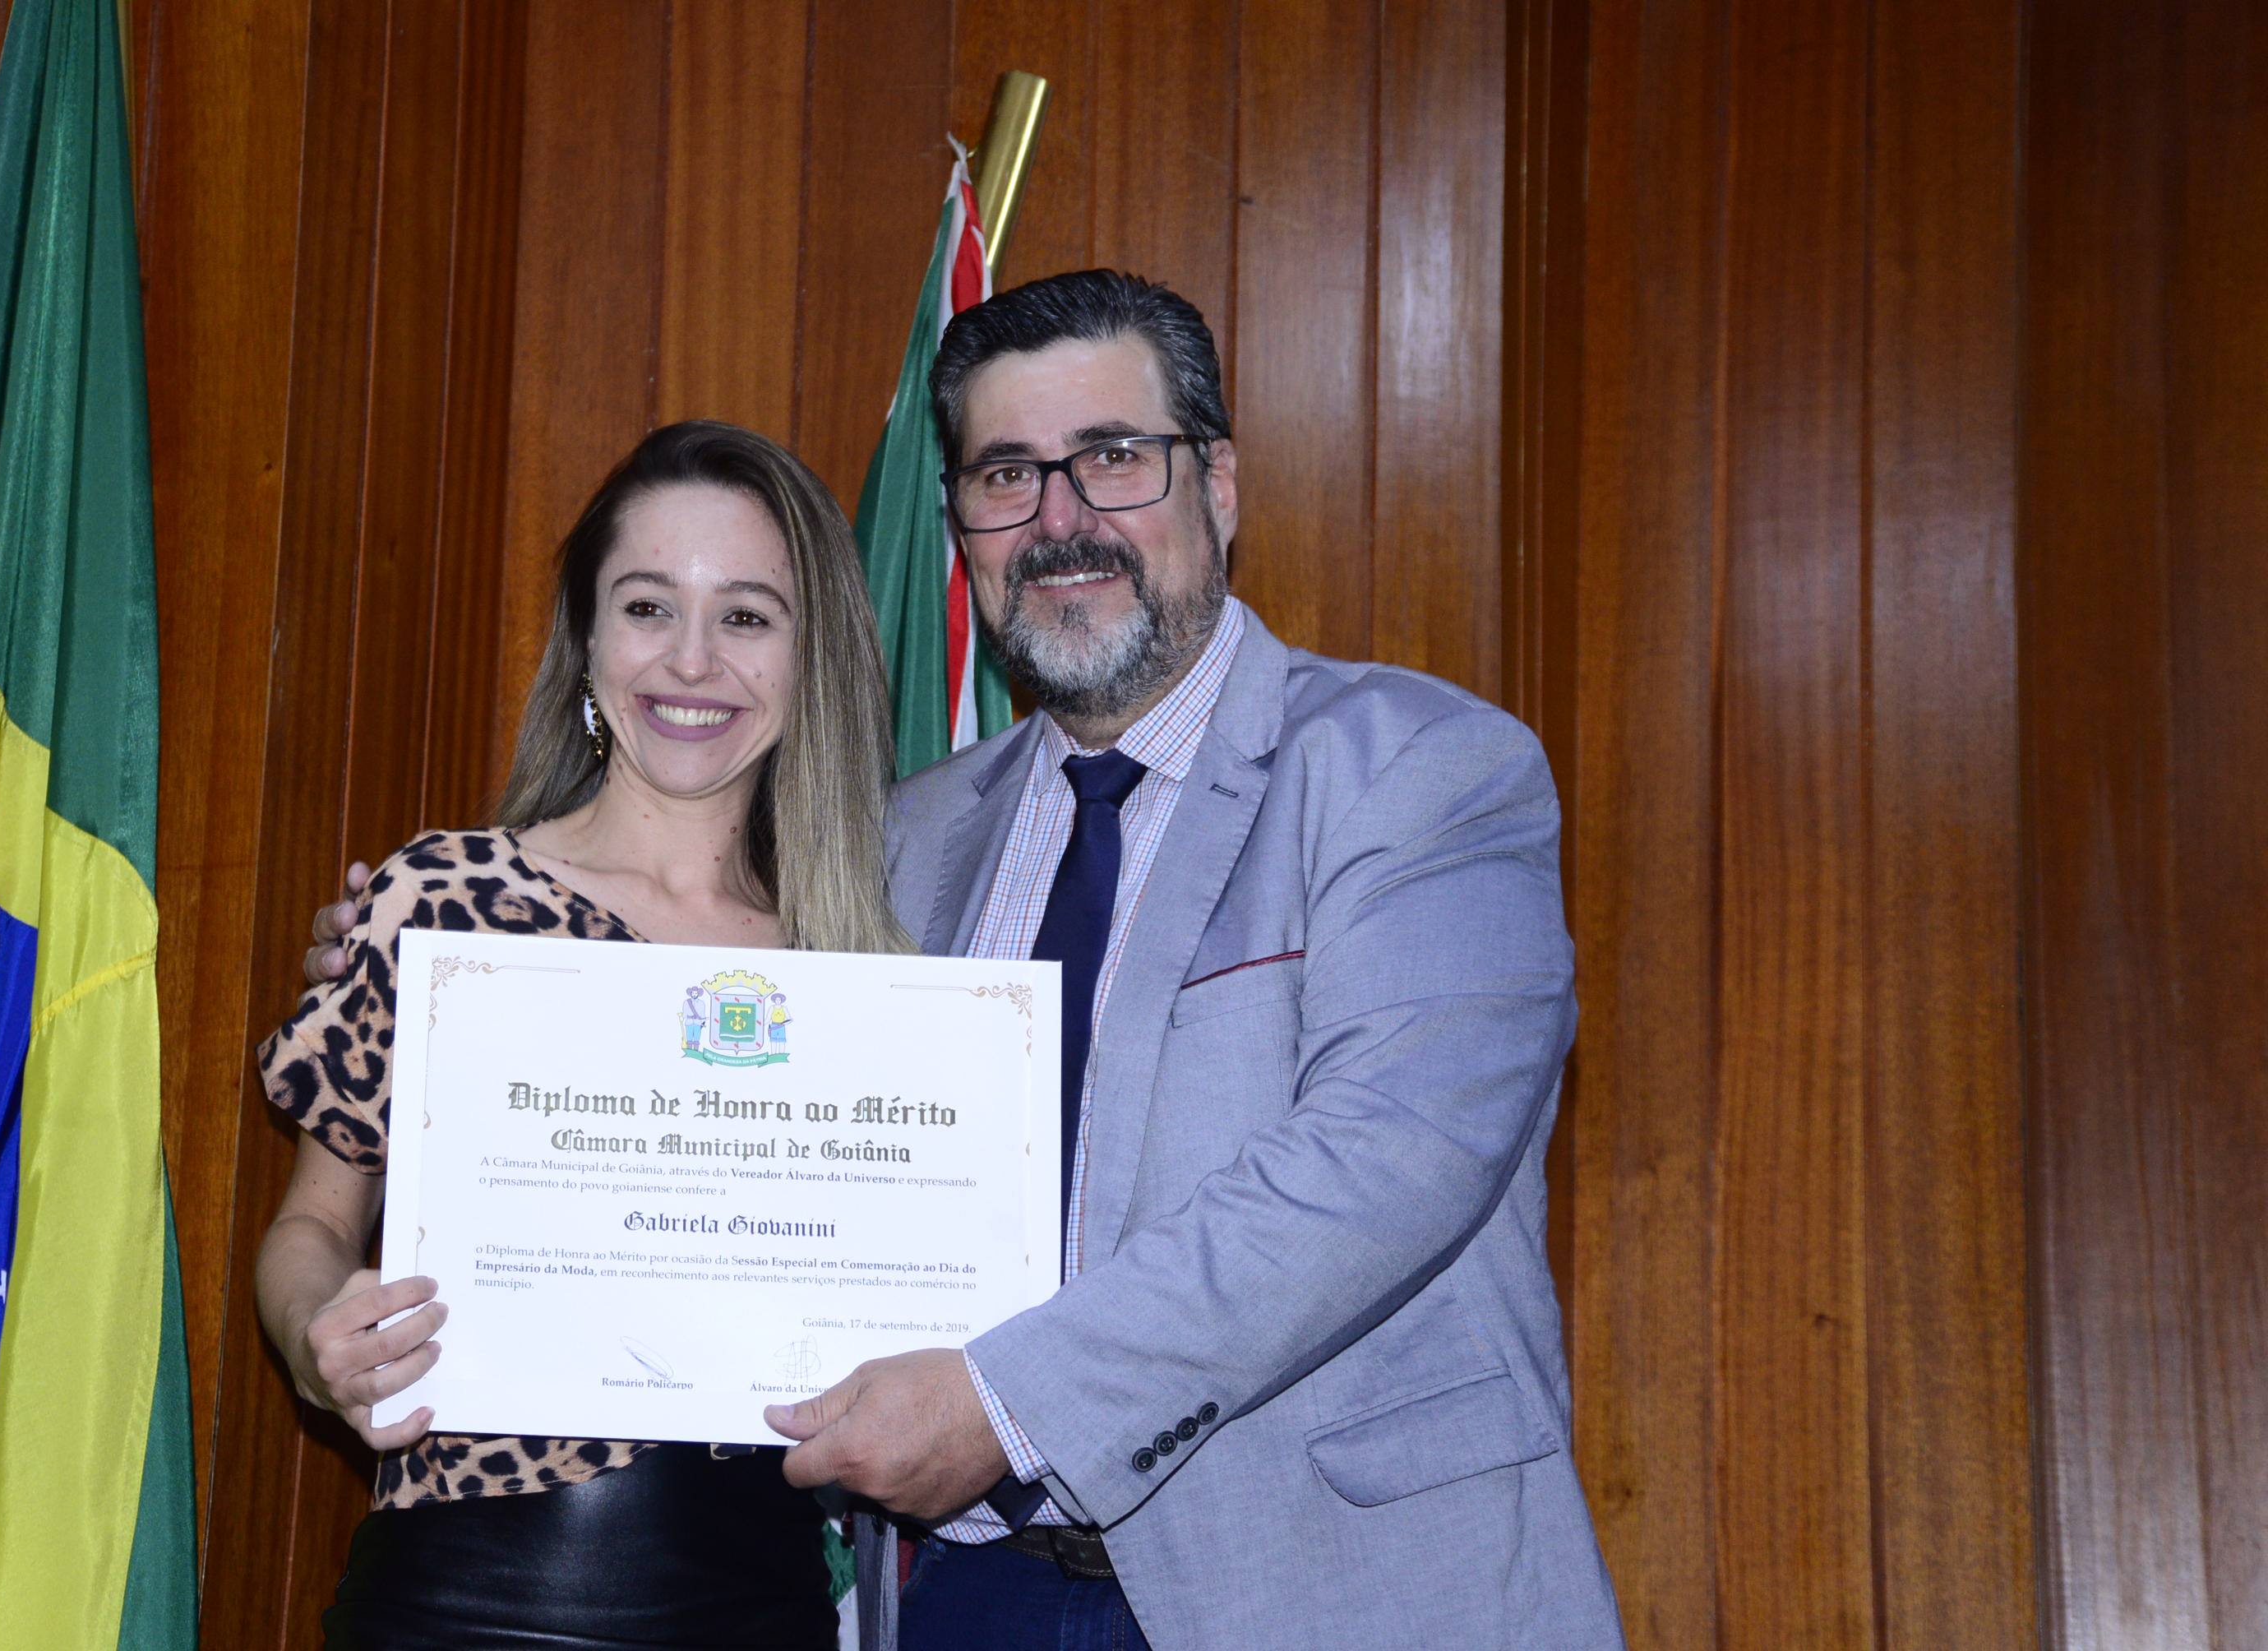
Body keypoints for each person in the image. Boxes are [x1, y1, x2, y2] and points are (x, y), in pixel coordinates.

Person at [757, 272, 1627, 1650]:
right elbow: (776, 1140)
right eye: (1006, 475)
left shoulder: (1420, 768)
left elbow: (1384, 1163)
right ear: (962, 526)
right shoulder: (905, 842)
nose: (1062, 521)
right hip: (963, 1595)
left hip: (1337, 1593)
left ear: (1217, 485)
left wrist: (1007, 1406)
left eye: (1114, 457)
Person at [256, 420, 907, 1650]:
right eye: (648, 607)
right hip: (458, 1605)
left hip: (763, 1605)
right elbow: (312, 1229)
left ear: (811, 654)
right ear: (589, 638)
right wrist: (313, 1340)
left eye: (748, 616)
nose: (693, 660)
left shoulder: (865, 972)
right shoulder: (443, 905)